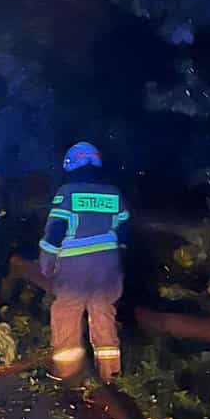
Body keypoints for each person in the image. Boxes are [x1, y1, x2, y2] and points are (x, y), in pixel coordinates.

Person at [40, 142, 129, 386]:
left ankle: (67, 373)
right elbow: (124, 230)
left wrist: (46, 263)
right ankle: (110, 373)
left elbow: (55, 231)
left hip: (75, 267)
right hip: (108, 266)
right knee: (103, 311)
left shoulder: (68, 192)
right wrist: (119, 260)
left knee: (67, 312)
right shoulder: (113, 193)